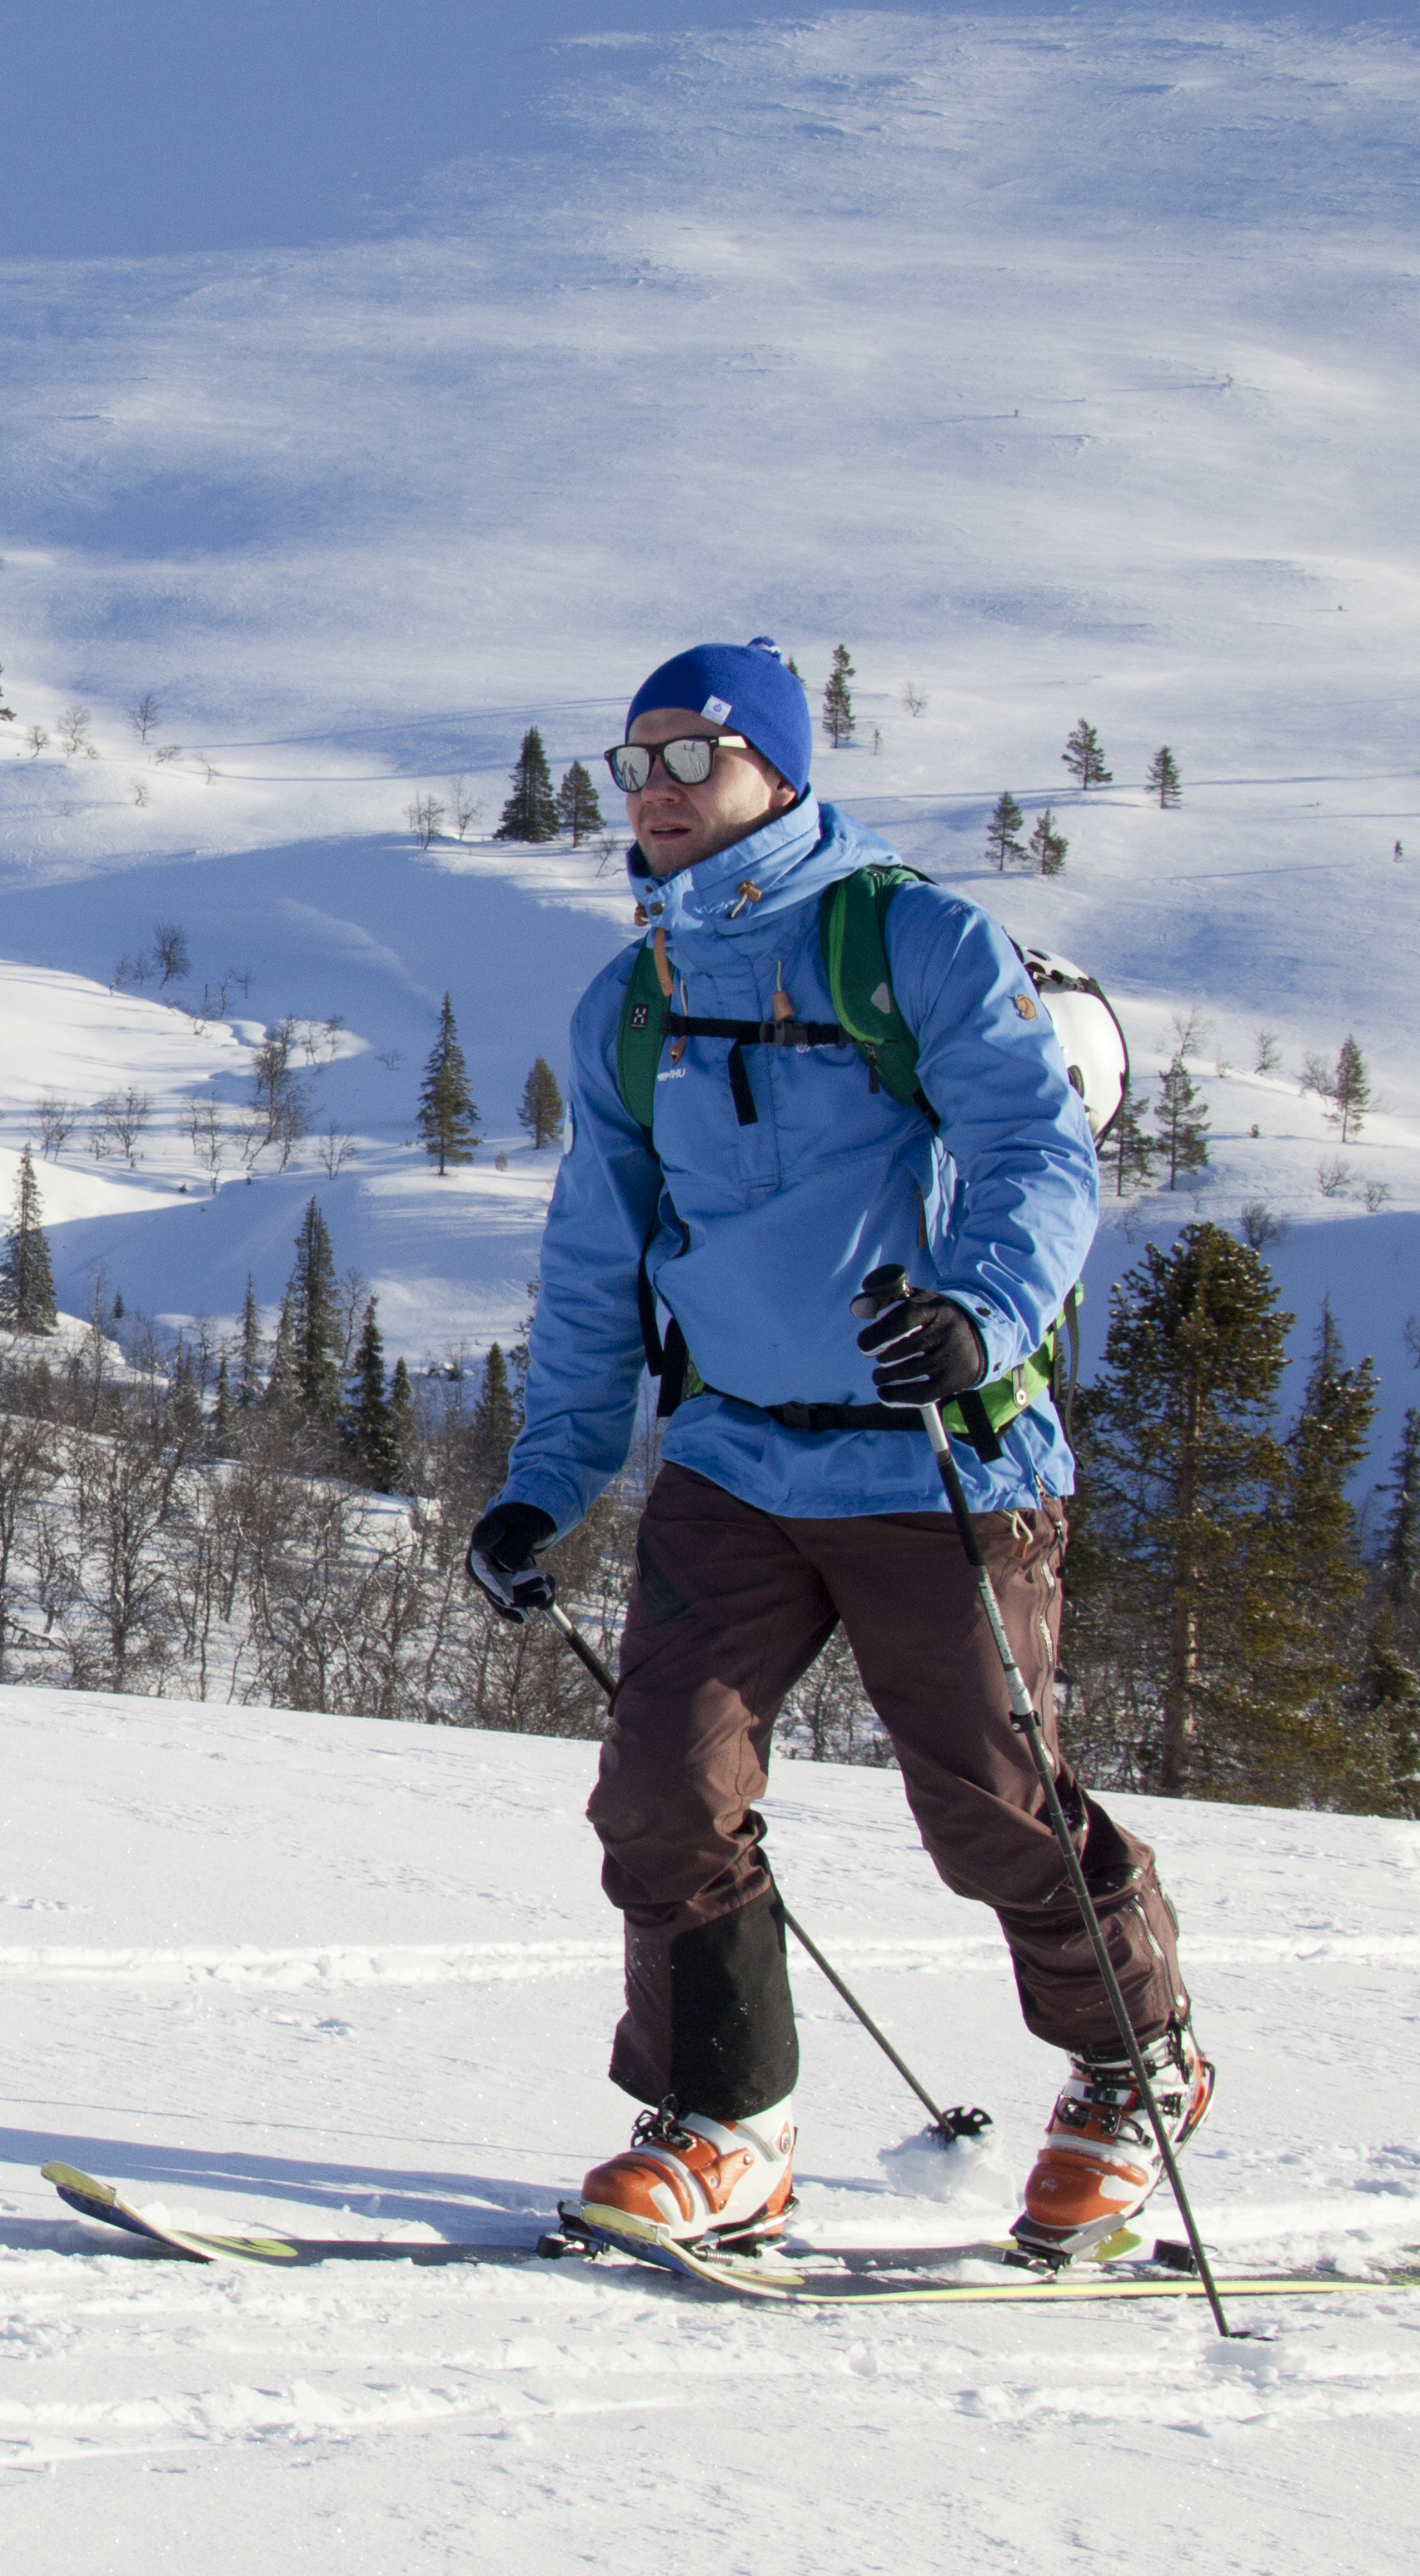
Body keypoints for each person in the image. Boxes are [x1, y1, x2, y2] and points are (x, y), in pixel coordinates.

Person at [463, 636, 1198, 2262]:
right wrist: (546, 1477)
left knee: (991, 1808)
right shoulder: (635, 998)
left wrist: (981, 1317)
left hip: (934, 1455)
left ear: (777, 769)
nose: (650, 791)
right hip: (733, 1457)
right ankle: (725, 2126)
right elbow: (597, 1258)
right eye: (629, 761)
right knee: (661, 1790)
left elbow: (1033, 1153)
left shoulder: (911, 938)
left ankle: (1125, 2072)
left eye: (688, 756)